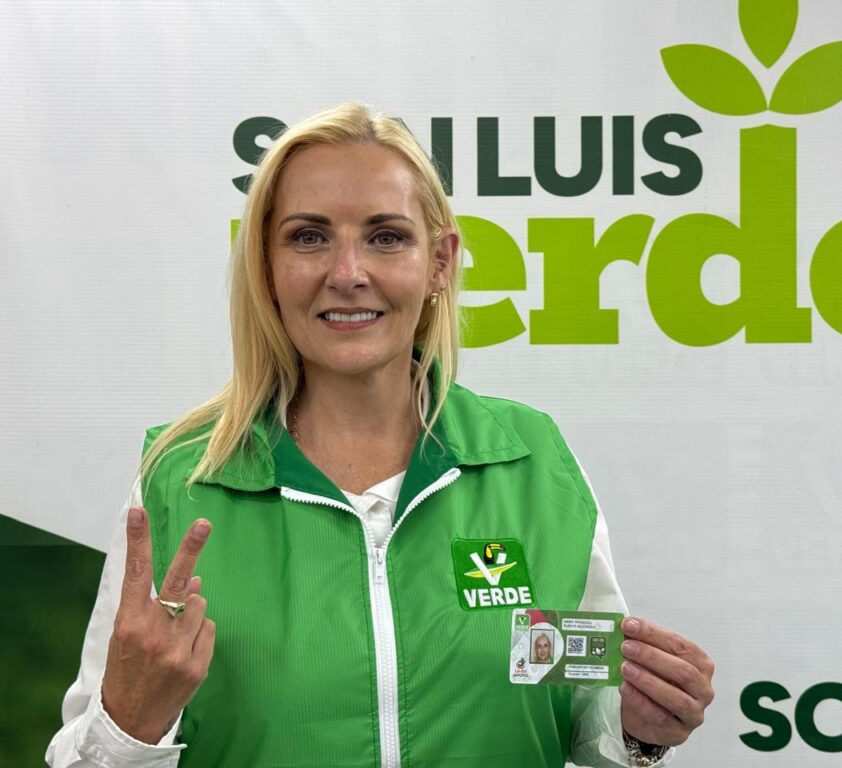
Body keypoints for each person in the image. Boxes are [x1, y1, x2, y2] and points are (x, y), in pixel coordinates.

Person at [46, 103, 714, 768]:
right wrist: (130, 723)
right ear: (265, 266)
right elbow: (80, 753)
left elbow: (586, 707)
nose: (347, 273)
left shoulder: (532, 459)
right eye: (309, 237)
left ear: (440, 262)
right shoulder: (182, 478)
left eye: (386, 237)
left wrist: (637, 726)